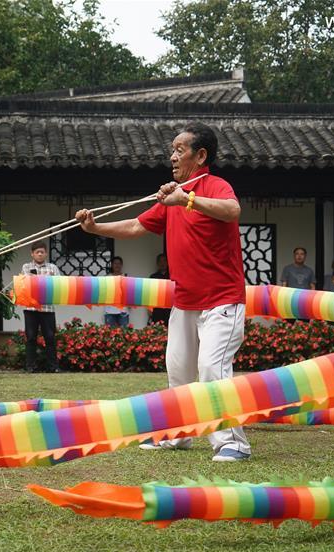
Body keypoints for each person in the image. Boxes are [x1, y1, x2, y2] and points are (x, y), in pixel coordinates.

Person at [75, 121, 251, 462]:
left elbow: (233, 211)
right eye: (172, 150)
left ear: (201, 156)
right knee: (179, 370)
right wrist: (95, 227)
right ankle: (179, 434)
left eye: (179, 150)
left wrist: (187, 200)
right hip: (185, 301)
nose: (172, 157)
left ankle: (233, 443)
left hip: (222, 301)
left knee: (212, 369)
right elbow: (136, 225)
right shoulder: (171, 200)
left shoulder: (214, 187)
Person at [21, 241, 60, 373]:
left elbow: (58, 284)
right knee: (31, 337)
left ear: (46, 253)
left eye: (42, 252)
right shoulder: (26, 267)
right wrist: (45, 280)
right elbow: (27, 282)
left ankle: (53, 367)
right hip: (30, 309)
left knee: (50, 337)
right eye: (37, 252)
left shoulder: (53, 267)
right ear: (32, 254)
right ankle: (31, 367)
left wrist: (37, 279)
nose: (39, 254)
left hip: (47, 309)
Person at [103, 256, 130, 327]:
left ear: (121, 265)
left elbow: (129, 292)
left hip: (123, 311)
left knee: (124, 334)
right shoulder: (106, 278)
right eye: (115, 263)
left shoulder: (126, 277)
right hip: (109, 310)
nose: (117, 265)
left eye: (119, 263)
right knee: (109, 334)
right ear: (112, 265)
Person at [148, 253, 171, 326]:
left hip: (170, 308)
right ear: (157, 263)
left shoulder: (172, 276)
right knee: (157, 329)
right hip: (157, 308)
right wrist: (149, 308)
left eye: (164, 261)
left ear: (167, 262)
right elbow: (149, 294)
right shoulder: (153, 277)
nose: (162, 263)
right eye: (160, 261)